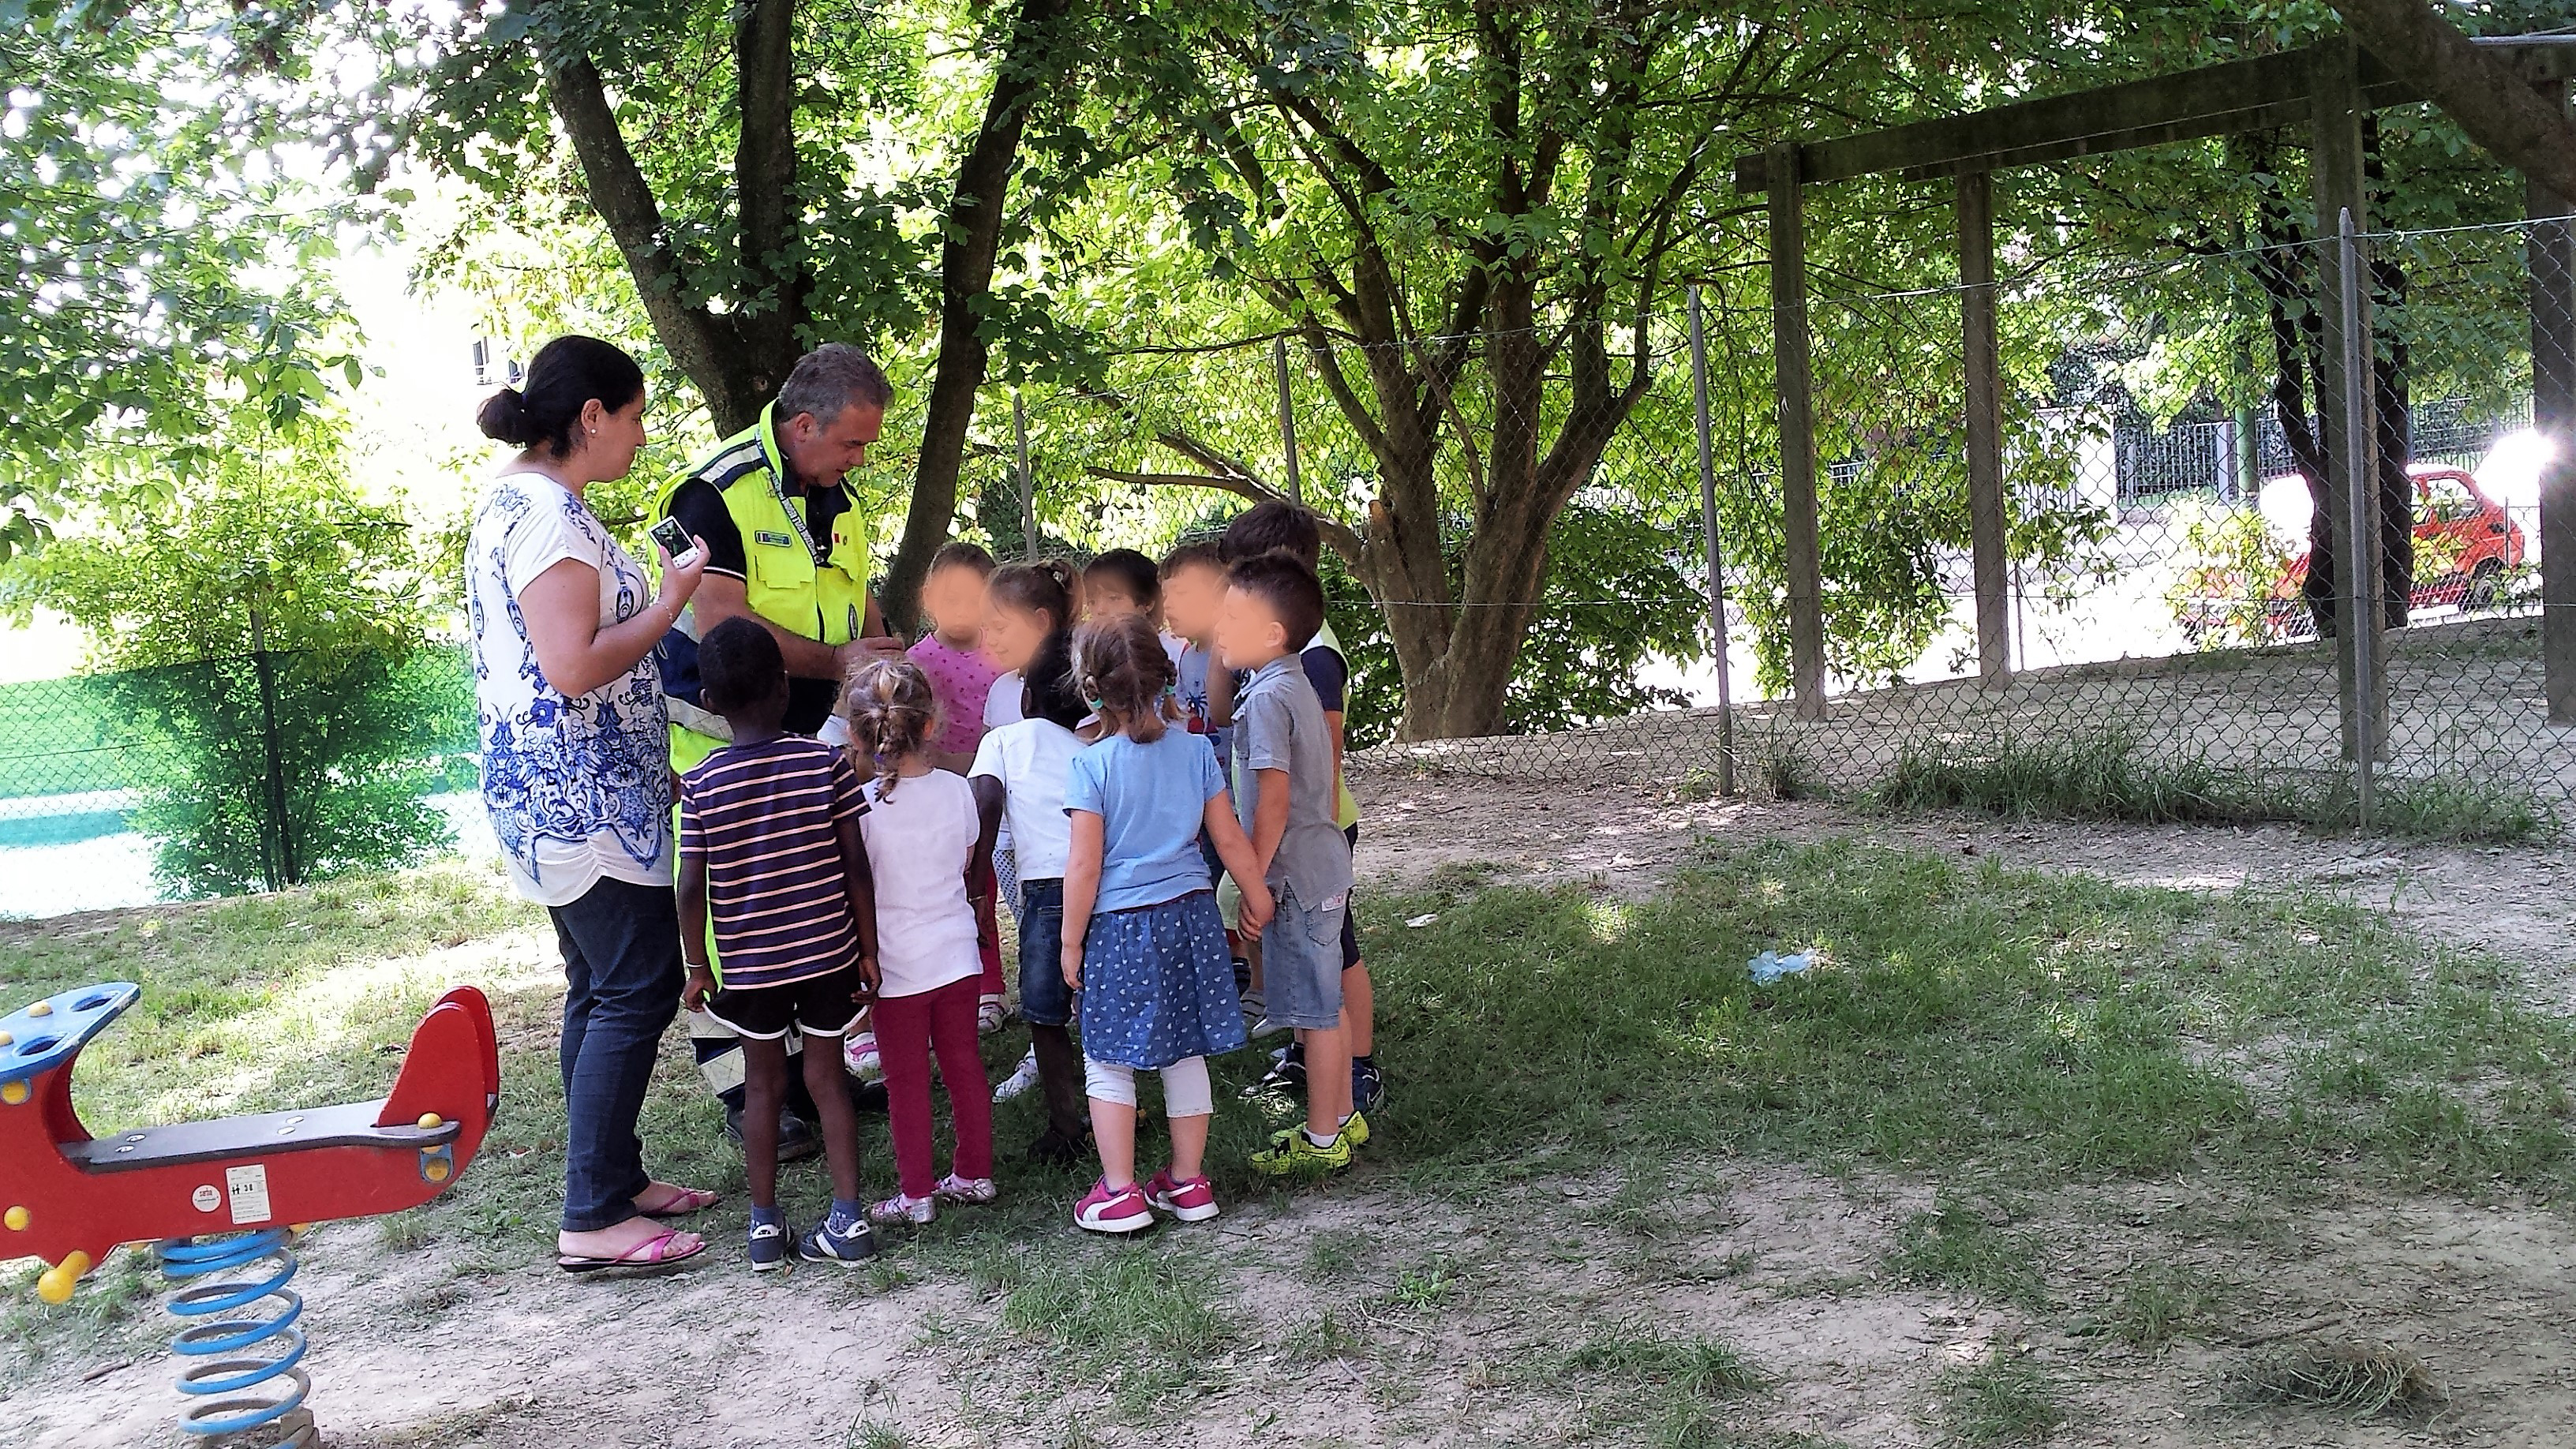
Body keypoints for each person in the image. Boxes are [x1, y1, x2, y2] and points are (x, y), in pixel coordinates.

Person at [466, 334, 715, 1275]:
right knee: (636, 989)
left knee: (599, 986)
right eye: (636, 416)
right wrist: (672, 601)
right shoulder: (551, 519)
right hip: (584, 800)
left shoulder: (517, 500)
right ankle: (593, 1217)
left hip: (573, 790)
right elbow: (572, 668)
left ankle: (612, 1178)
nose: (642, 437)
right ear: (592, 415)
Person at [656, 344, 905, 1157]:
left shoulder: (836, 493)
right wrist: (840, 662)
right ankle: (744, 1092)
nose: (860, 459)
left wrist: (883, 652)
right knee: (734, 922)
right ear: (803, 426)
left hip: (809, 738)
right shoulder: (712, 493)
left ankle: (808, 1075)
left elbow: (857, 594)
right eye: (853, 443)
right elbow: (719, 619)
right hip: (715, 745)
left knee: (806, 905)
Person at [675, 618, 881, 1269]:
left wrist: (697, 966)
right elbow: (856, 865)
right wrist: (869, 950)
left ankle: (764, 1228)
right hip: (828, 956)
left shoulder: (702, 783)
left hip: (750, 967)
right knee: (827, 1081)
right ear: (786, 686)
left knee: (762, 1087)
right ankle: (849, 1220)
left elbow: (690, 886)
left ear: (709, 702)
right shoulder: (825, 764)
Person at [1059, 614, 1271, 1231]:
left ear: (1091, 691)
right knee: (1186, 1049)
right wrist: (1257, 895)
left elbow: (1083, 865)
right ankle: (1188, 1183)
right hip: (1192, 919)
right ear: (1167, 677)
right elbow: (1227, 838)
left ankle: (1120, 1193)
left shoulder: (1090, 766)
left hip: (1121, 927)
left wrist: (1069, 941)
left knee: (1107, 1057)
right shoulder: (1197, 751)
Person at [1221, 501, 1380, 1116]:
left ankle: (1347, 1088)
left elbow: (1303, 778)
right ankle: (1315, 1069)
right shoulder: (1280, 668)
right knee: (1313, 975)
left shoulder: (1309, 662)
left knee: (1333, 969)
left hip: (1310, 840)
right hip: (1301, 842)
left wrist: (1257, 873)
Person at [841, 657, 998, 1226]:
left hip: (896, 968)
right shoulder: (959, 792)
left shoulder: (861, 809)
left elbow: (857, 885)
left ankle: (916, 1194)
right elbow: (965, 862)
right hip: (958, 957)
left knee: (905, 1083)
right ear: (930, 724)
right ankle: (975, 1173)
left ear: (859, 735)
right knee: (964, 1066)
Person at [973, 560, 1095, 1163]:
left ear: (1024, 698)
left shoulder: (1002, 739)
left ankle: (1066, 1126)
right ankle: (1115, 1103)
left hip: (1047, 893)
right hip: (1102, 885)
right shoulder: (1093, 749)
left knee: (1045, 1013)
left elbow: (984, 803)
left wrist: (974, 881)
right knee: (1099, 1001)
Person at [906, 541, 1009, 1035]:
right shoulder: (917, 662)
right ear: (929, 596)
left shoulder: (1006, 652)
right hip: (946, 794)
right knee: (962, 889)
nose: (963, 608)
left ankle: (994, 988)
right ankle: (961, 987)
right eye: (951, 597)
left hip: (1006, 791)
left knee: (998, 884)